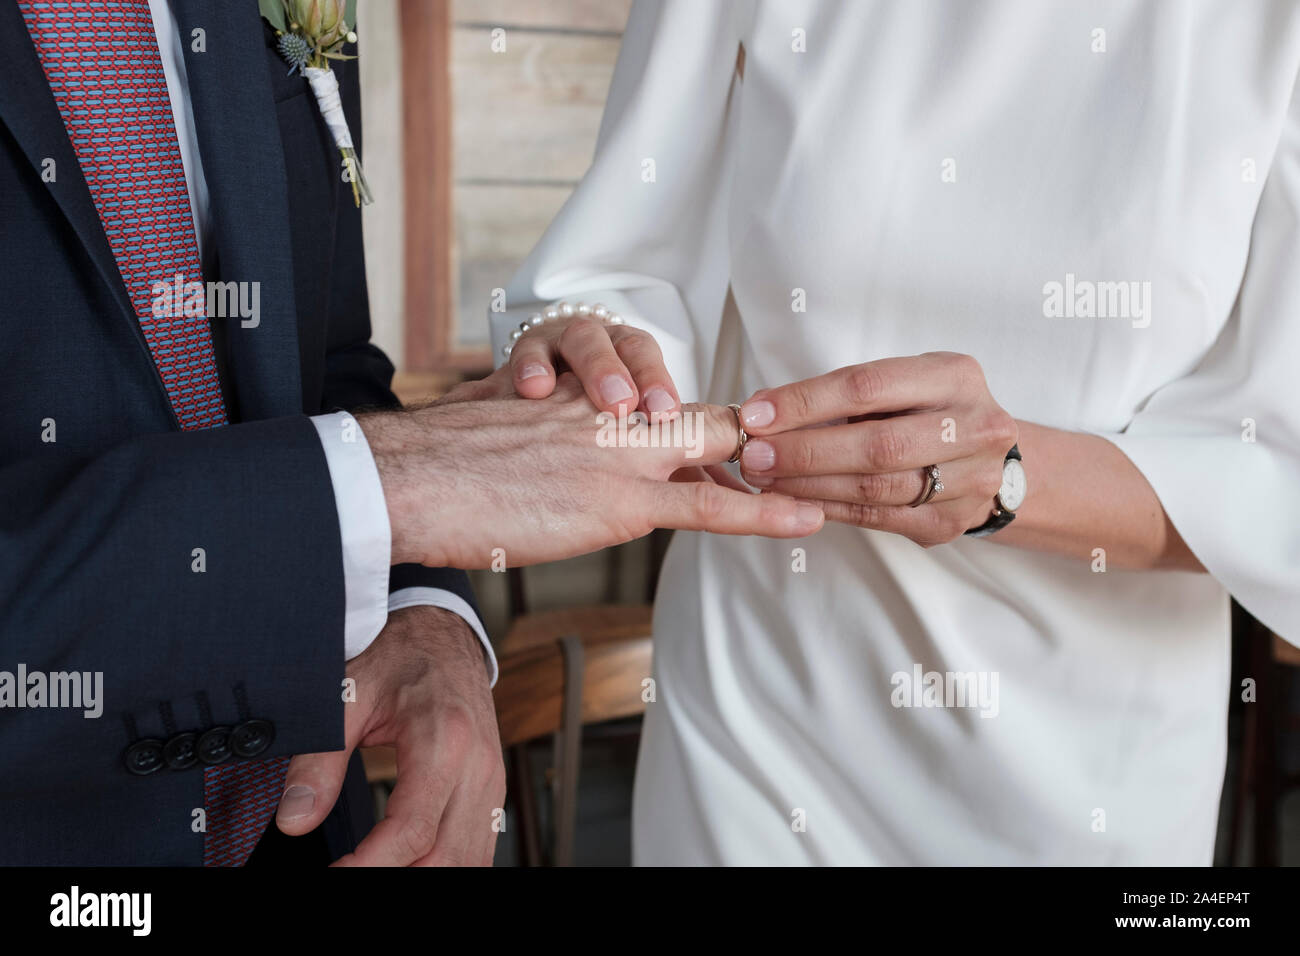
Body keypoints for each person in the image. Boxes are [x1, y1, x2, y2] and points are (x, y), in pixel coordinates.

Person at [0, 0, 819, 866]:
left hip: (313, 820)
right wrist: (393, 481)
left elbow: (331, 365)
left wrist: (423, 614)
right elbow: (365, 469)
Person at [493, 0, 1300, 864]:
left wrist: (1011, 478)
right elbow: (621, 259)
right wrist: (594, 349)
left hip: (1095, 782)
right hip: (762, 725)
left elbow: (1278, 478)